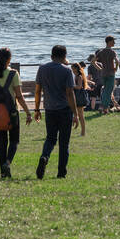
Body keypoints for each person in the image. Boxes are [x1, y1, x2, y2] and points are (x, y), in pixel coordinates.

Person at [0, 48, 32, 179]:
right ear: (9, 59)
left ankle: (2, 173)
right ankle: (7, 163)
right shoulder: (13, 74)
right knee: (14, 141)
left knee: (2, 142)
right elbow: (19, 97)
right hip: (12, 113)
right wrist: (28, 113)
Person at [34, 44, 79, 179]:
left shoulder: (42, 69)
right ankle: (61, 172)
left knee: (50, 139)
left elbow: (37, 91)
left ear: (51, 56)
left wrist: (37, 109)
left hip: (50, 109)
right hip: (64, 110)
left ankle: (45, 157)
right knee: (64, 142)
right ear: (65, 57)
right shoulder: (66, 71)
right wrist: (75, 113)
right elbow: (70, 93)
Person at [94, 36, 119, 115]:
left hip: (103, 74)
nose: (114, 43)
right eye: (113, 41)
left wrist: (99, 68)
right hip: (111, 73)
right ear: (109, 42)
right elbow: (117, 61)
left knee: (105, 90)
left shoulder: (101, 52)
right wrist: (116, 68)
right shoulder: (112, 52)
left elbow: (92, 61)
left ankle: (103, 107)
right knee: (109, 91)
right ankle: (104, 108)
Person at [71, 62, 90, 135]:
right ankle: (78, 126)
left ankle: (83, 132)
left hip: (79, 96)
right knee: (77, 114)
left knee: (81, 115)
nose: (71, 69)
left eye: (72, 68)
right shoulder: (75, 76)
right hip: (76, 95)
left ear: (76, 68)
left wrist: (71, 86)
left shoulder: (79, 76)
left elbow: (79, 87)